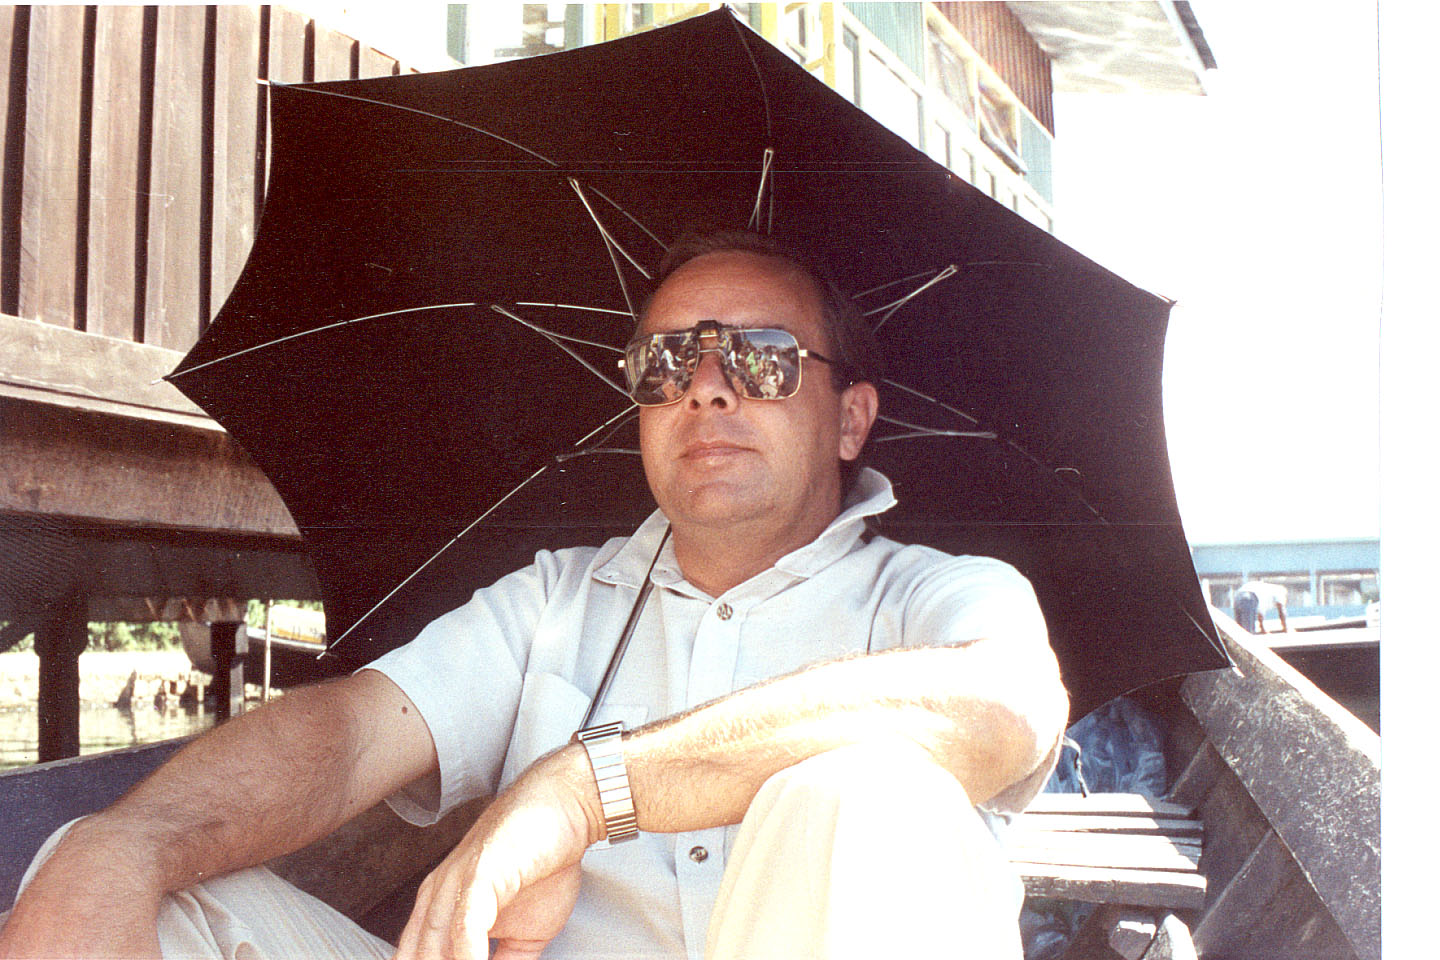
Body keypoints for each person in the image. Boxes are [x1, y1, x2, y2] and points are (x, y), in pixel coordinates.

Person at [0, 231, 1068, 960]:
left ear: (849, 417)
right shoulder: (558, 600)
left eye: (764, 357)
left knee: (871, 795)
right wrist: (130, 843)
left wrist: (576, 795)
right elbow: (347, 733)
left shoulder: (941, 600)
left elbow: (1005, 710)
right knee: (127, 883)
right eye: (666, 363)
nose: (706, 384)